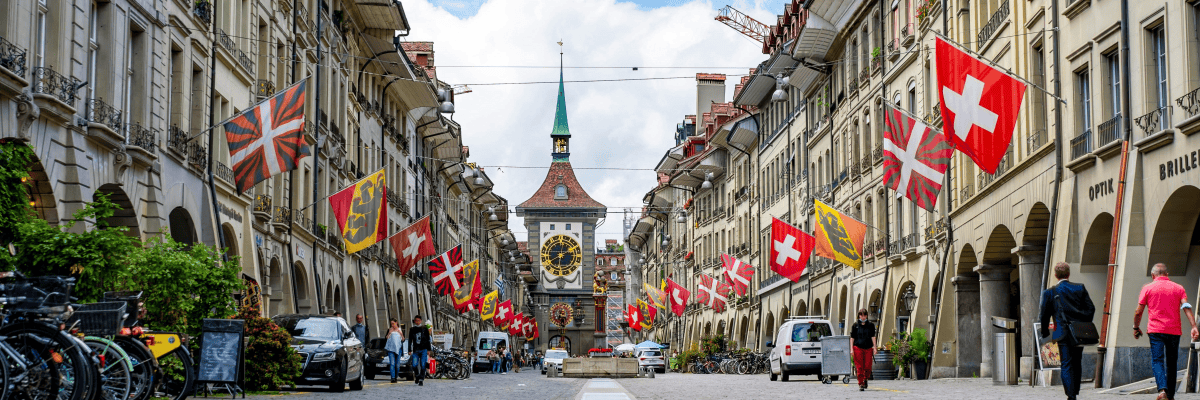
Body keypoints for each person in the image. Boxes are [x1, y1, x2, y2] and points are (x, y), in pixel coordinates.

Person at [1133, 263, 1199, 400]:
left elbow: (1138, 312)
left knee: (1157, 360)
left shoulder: (1147, 288)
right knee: (1172, 362)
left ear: (1153, 275)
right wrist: (1194, 326)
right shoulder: (1179, 288)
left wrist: (1136, 327)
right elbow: (1186, 307)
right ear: (1167, 274)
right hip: (1174, 331)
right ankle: (1171, 396)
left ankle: (1162, 391)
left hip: (1155, 331)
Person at [1038, 262, 1096, 400]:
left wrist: (1045, 332)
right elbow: (1090, 309)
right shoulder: (1079, 288)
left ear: (1055, 275)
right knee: (1077, 362)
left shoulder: (1049, 292)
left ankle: (1071, 395)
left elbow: (1044, 315)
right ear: (1068, 274)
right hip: (1079, 332)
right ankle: (1074, 391)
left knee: (1066, 364)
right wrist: (1082, 322)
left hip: (1062, 333)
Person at [849, 308, 876, 391]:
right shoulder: (855, 325)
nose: (863, 317)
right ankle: (861, 383)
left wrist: (875, 347)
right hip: (858, 348)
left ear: (866, 316)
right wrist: (851, 349)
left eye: (864, 315)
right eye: (861, 315)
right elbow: (852, 338)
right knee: (859, 367)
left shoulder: (871, 325)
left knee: (868, 367)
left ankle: (866, 379)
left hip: (868, 348)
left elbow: (873, 336)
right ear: (859, 316)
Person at [408, 315, 432, 386]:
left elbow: (428, 339)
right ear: (414, 321)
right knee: (414, 365)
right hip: (416, 350)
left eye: (419, 321)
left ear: (421, 321)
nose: (417, 322)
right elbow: (410, 340)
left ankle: (421, 379)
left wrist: (429, 349)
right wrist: (409, 349)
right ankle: (417, 375)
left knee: (423, 365)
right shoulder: (412, 329)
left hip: (424, 349)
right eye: (416, 321)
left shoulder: (425, 328)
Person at [384, 319, 404, 383]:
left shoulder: (400, 330)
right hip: (391, 349)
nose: (392, 325)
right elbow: (386, 338)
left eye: (393, 323)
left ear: (396, 323)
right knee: (392, 363)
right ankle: (392, 377)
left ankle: (396, 376)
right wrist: (389, 333)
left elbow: (403, 340)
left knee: (397, 365)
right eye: (391, 324)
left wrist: (400, 333)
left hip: (398, 349)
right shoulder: (390, 330)